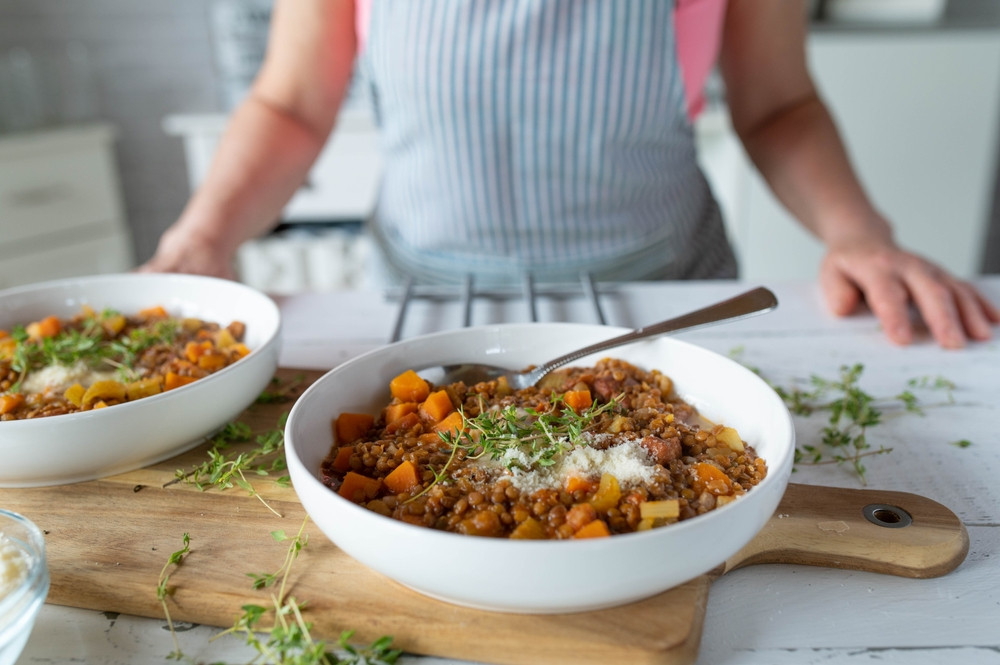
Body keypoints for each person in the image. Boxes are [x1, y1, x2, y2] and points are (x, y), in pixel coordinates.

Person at [141, 0, 999, 348]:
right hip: (422, 301)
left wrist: (859, 234)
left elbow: (776, 103)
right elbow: (293, 103)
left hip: (672, 300)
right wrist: (202, 235)